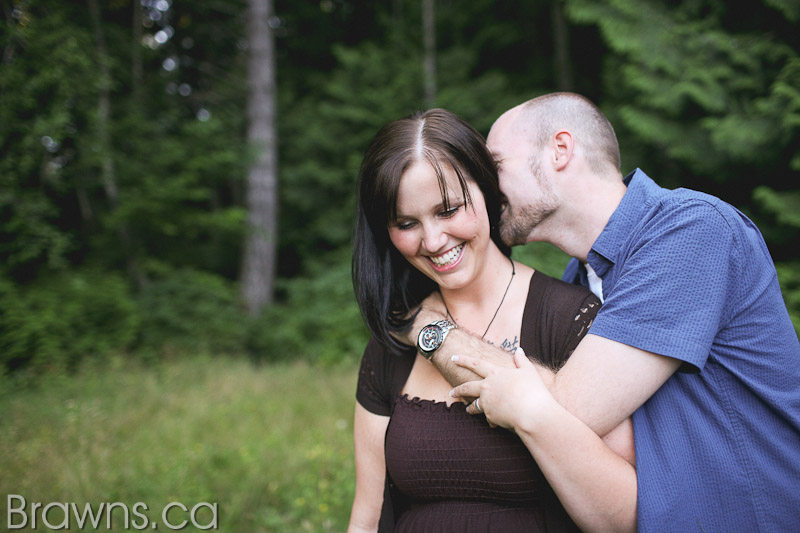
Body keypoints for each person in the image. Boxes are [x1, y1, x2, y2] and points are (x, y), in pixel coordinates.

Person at [403, 93, 800, 532]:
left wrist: (432, 330)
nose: (484, 187)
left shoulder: (690, 231)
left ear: (560, 150)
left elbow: (566, 413)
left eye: (496, 165)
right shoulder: (577, 282)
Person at [348, 108, 638, 532]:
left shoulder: (570, 320)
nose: (432, 241)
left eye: (447, 210)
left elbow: (623, 517)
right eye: (407, 223)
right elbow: (367, 518)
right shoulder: (394, 340)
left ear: (487, 192)